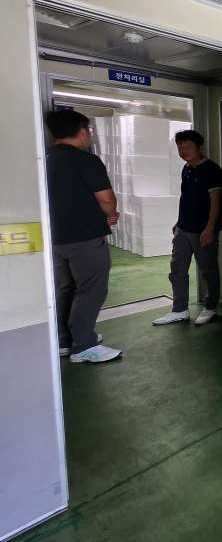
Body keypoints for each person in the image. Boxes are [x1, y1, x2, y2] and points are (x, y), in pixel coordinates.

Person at [45, 109, 123, 363]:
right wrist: (111, 214)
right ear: (81, 131)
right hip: (85, 238)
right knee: (91, 289)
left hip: (54, 238)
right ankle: (84, 345)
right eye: (88, 130)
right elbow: (106, 199)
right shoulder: (85, 160)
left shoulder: (44, 157)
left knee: (66, 288)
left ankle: (64, 341)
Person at [153, 130, 222, 326]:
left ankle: (210, 307)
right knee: (177, 269)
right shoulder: (186, 169)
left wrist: (210, 228)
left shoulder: (212, 170)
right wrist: (179, 222)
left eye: (188, 147)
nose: (183, 151)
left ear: (199, 147)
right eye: (180, 147)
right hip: (183, 229)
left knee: (208, 270)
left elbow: (215, 202)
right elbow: (186, 198)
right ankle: (179, 309)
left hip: (203, 230)